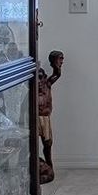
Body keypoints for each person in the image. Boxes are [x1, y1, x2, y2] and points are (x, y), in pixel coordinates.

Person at [36, 50, 64, 180]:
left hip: (45, 118)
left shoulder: (47, 84)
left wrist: (56, 65)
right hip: (35, 119)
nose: (40, 81)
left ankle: (49, 165)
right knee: (34, 143)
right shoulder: (32, 90)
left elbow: (57, 74)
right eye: (38, 77)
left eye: (41, 77)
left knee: (48, 144)